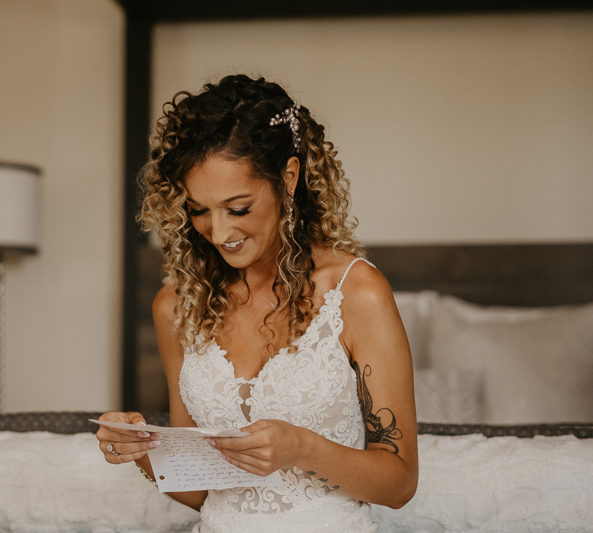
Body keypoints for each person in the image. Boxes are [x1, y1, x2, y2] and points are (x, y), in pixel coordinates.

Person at [96, 74, 418, 532]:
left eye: (239, 208)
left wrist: (301, 447)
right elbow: (202, 491)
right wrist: (141, 450)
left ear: (288, 177)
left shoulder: (356, 293)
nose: (220, 233)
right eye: (199, 210)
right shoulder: (177, 308)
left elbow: (400, 484)